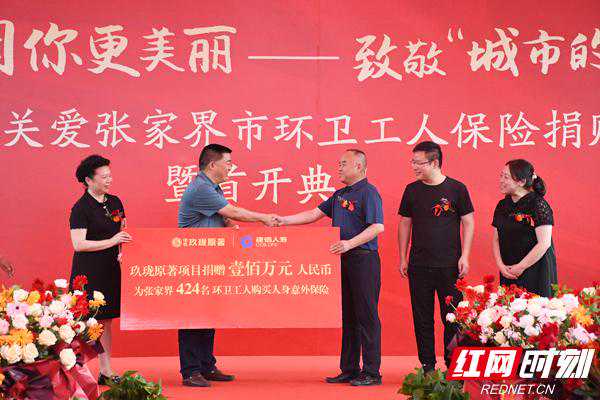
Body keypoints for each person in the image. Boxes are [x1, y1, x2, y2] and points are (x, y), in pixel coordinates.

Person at [276, 149, 384, 386]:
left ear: (358, 166)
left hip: (363, 260)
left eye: (343, 164)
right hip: (342, 259)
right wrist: (284, 221)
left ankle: (372, 372)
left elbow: (377, 227)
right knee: (349, 315)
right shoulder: (339, 194)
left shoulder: (369, 192)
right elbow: (314, 214)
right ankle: (349, 369)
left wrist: (349, 243)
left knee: (367, 316)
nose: (339, 168)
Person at [178, 143, 280, 388]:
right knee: (193, 316)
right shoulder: (201, 188)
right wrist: (264, 218)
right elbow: (232, 211)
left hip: (212, 261)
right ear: (213, 164)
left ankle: (206, 365)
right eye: (228, 163)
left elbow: (224, 217)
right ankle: (191, 370)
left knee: (209, 312)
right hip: (195, 262)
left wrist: (232, 229)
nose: (231, 167)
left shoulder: (214, 187)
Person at [397, 141, 474, 372]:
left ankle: (453, 365)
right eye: (413, 162)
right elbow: (405, 223)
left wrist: (465, 256)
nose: (414, 167)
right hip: (419, 264)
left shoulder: (457, 189)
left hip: (450, 265)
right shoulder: (412, 190)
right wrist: (403, 257)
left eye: (419, 163)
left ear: (435, 162)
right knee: (422, 317)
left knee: (452, 317)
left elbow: (468, 222)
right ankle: (427, 366)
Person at [69, 155, 132, 385]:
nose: (109, 180)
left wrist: (123, 250)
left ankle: (106, 370)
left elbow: (123, 231)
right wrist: (112, 241)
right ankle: (78, 370)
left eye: (110, 175)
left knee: (106, 321)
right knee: (86, 321)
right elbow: (79, 244)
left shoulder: (115, 202)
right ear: (88, 180)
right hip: (88, 271)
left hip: (110, 268)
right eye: (104, 177)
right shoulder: (81, 208)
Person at [493, 159, 557, 297]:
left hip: (535, 269)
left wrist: (520, 267)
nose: (501, 180)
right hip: (509, 270)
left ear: (521, 182)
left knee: (534, 308)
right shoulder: (502, 206)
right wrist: (501, 265)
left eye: (506, 177)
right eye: (501, 176)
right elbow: (496, 239)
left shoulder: (538, 204)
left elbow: (544, 243)